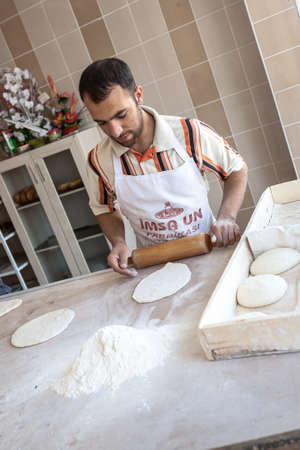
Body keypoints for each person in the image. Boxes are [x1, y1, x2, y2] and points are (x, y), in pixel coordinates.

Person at [79, 58, 248, 277]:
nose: (115, 131)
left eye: (121, 115)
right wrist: (118, 242)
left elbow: (235, 169)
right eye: (101, 122)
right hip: (154, 266)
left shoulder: (190, 133)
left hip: (208, 251)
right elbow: (104, 207)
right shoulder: (98, 161)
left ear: (138, 95)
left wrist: (227, 216)